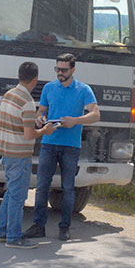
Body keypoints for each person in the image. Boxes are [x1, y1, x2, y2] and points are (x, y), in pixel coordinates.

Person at [22, 53, 100, 241]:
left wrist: (75, 120)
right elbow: (41, 110)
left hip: (70, 146)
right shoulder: (49, 88)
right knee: (41, 186)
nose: (60, 73)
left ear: (73, 70)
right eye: (57, 69)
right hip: (49, 143)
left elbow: (95, 115)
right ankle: (38, 226)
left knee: (67, 188)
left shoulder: (83, 90)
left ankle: (64, 227)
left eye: (64, 70)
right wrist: (40, 119)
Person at [0, 61, 57, 249]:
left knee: (11, 193)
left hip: (6, 151)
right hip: (20, 153)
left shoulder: (8, 95)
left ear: (19, 75)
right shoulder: (27, 101)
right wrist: (45, 130)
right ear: (35, 79)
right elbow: (29, 135)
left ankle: (0, 231)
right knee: (18, 196)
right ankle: (13, 237)